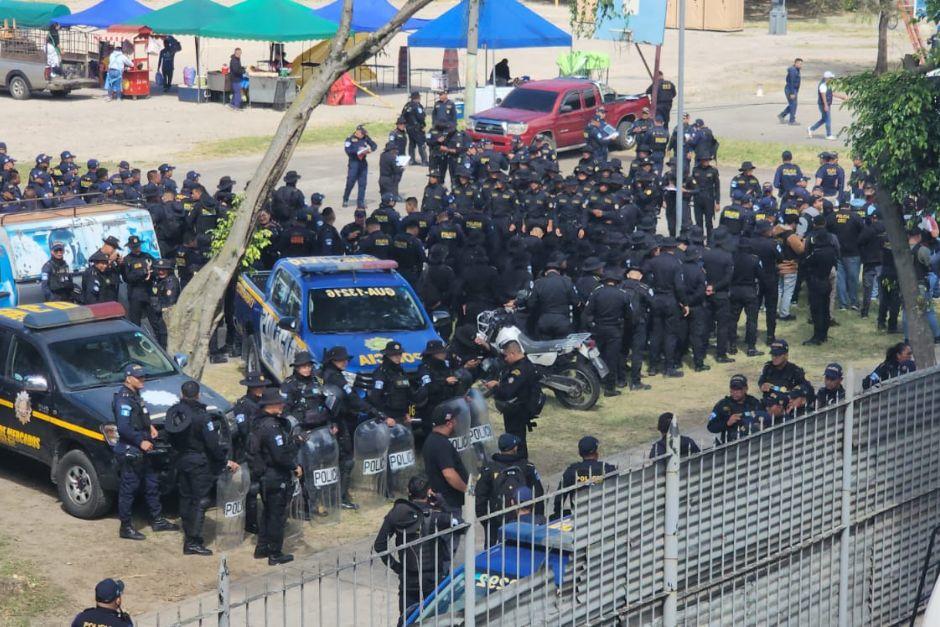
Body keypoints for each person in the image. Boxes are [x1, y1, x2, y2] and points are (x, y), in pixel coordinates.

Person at [374, 475, 457, 627]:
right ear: (429, 492)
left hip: (408, 579)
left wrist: (397, 567)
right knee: (436, 620)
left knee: (408, 621)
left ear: (408, 491)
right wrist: (443, 504)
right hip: (433, 579)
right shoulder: (437, 516)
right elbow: (461, 525)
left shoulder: (397, 512)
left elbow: (380, 545)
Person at [165, 381, 236, 556]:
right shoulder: (202, 417)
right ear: (198, 395)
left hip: (182, 460)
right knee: (200, 500)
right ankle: (193, 541)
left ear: (182, 395)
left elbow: (169, 436)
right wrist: (223, 460)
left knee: (186, 497)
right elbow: (212, 443)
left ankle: (188, 531)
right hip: (199, 463)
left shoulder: (175, 413)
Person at [113, 364, 179, 540]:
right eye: (138, 377)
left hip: (144, 449)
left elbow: (140, 416)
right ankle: (125, 527)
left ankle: (157, 519)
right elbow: (123, 427)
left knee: (152, 485)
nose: (142, 380)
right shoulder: (123, 399)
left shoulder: (135, 396)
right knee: (129, 489)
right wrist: (140, 441)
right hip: (132, 450)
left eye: (143, 377)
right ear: (128, 378)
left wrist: (149, 427)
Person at [252, 388, 302, 565]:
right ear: (270, 405)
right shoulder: (271, 427)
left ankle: (262, 547)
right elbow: (279, 455)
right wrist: (294, 466)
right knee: (277, 515)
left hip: (266, 475)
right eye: (279, 403)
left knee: (268, 513)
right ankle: (275, 553)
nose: (282, 405)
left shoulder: (260, 422)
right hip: (274, 475)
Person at [475, 433, 544, 546]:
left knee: (493, 555)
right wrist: (536, 517)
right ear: (515, 448)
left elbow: (480, 498)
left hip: (496, 521)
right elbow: (539, 493)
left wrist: (487, 521)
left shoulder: (489, 468)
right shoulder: (527, 466)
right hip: (524, 522)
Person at [484, 340, 542, 458]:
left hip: (517, 410)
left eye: (506, 355)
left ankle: (519, 462)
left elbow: (507, 391)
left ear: (512, 354)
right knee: (518, 438)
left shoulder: (519, 370)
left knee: (516, 441)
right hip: (519, 408)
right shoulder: (524, 364)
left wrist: (495, 387)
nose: (505, 359)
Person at [582, 266, 630, 396]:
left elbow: (587, 313)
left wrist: (589, 327)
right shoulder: (623, 295)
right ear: (616, 281)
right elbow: (628, 315)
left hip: (598, 328)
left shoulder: (596, 293)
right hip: (614, 329)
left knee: (595, 356)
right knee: (612, 359)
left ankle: (590, 383)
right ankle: (609, 388)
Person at [552, 436, 616, 518]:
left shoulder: (572, 471)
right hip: (605, 512)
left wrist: (557, 513)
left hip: (579, 515)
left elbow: (559, 497)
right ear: (596, 452)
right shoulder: (608, 469)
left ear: (580, 453)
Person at [421, 405, 469, 511]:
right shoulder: (441, 444)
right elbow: (449, 475)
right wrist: (467, 490)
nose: (457, 422)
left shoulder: (431, 440)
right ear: (449, 424)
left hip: (442, 500)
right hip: (449, 503)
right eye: (454, 420)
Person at [707, 375, 769, 443]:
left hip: (754, 441)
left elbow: (767, 418)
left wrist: (761, 424)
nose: (734, 392)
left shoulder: (754, 402)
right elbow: (711, 427)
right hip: (731, 444)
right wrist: (727, 423)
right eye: (732, 388)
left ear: (745, 389)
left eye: (738, 389)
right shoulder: (722, 405)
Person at [369, 341, 417, 426]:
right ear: (387, 355)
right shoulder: (381, 373)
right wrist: (385, 417)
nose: (398, 357)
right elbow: (375, 398)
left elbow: (409, 396)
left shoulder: (401, 372)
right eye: (394, 355)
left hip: (403, 417)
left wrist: (409, 413)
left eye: (399, 354)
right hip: (388, 419)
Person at [342, 125, 378, 209]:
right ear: (357, 132)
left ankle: (360, 202)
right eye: (362, 133)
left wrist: (370, 150)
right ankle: (345, 199)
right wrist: (358, 151)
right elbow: (348, 150)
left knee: (363, 184)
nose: (363, 135)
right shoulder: (350, 139)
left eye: (364, 134)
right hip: (354, 162)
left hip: (363, 163)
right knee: (350, 182)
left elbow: (374, 145)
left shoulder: (365, 137)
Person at [148, 258, 179, 349]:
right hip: (157, 314)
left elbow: (170, 303)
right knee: (159, 337)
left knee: (164, 339)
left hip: (166, 316)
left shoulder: (171, 282)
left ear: (169, 270)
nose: (161, 272)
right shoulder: (158, 279)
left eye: (163, 269)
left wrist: (159, 308)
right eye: (159, 269)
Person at [808, 70, 838, 140]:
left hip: (826, 104)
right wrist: (826, 105)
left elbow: (831, 93)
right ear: (827, 78)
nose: (832, 79)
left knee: (824, 119)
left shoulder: (827, 84)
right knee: (828, 119)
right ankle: (828, 135)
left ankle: (811, 128)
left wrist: (841, 97)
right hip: (824, 104)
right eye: (831, 78)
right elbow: (823, 95)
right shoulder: (823, 85)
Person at [401, 92, 428, 166]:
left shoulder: (407, 105)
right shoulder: (417, 106)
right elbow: (421, 117)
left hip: (409, 128)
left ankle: (411, 160)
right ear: (417, 98)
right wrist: (423, 125)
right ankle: (424, 161)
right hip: (417, 128)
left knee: (412, 144)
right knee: (421, 144)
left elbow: (402, 115)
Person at [778, 58, 802, 125]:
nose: (801, 65)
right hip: (790, 89)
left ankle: (782, 115)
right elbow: (791, 82)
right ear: (795, 63)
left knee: (793, 104)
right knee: (793, 104)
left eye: (801, 64)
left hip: (793, 89)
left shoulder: (796, 70)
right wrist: (792, 93)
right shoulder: (792, 71)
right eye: (799, 64)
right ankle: (792, 121)